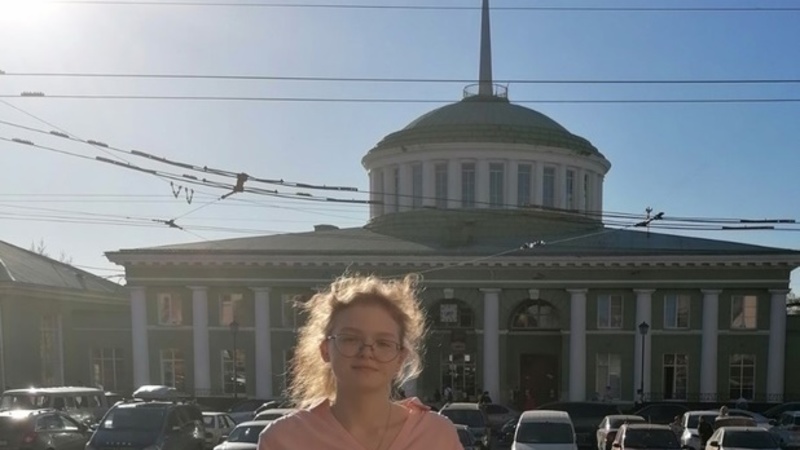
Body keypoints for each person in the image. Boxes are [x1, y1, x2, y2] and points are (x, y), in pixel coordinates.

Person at [257, 274, 461, 450]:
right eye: (351, 339)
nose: (367, 352)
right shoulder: (283, 439)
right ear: (325, 350)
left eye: (383, 343)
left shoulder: (436, 434)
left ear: (400, 358)